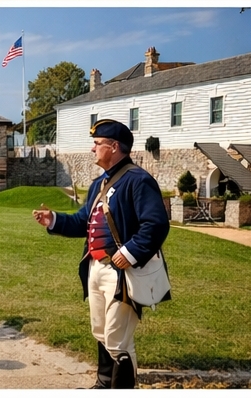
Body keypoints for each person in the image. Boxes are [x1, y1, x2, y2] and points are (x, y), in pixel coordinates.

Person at [33, 120, 169, 389]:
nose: (93, 148)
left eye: (98, 144)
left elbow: (156, 224)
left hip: (122, 272)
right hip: (96, 267)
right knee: (100, 331)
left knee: (117, 339)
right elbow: (83, 222)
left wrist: (129, 253)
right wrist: (54, 220)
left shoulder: (138, 180)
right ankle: (103, 384)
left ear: (114, 147)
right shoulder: (99, 185)